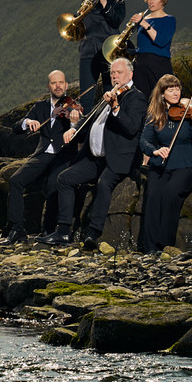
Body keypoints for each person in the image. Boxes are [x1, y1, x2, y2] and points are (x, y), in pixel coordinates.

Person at [49, 55, 147, 249]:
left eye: (119, 73)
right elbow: (91, 120)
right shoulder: (108, 94)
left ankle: (93, 233)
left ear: (130, 74)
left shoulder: (136, 97)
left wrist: (116, 107)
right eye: (112, 73)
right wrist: (74, 128)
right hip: (95, 157)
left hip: (119, 158)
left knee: (104, 183)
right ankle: (63, 231)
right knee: (64, 179)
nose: (114, 76)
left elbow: (131, 128)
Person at [135, 74, 192, 251]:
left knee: (170, 192)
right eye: (170, 89)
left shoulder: (188, 112)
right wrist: (155, 150)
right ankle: (150, 248)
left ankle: (165, 243)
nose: (175, 92)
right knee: (153, 196)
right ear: (162, 93)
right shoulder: (154, 115)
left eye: (177, 88)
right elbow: (144, 141)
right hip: (161, 163)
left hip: (186, 164)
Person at [3, 70, 75, 243]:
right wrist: (27, 122)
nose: (58, 86)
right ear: (48, 86)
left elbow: (82, 127)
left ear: (66, 85)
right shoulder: (40, 107)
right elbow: (16, 128)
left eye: (61, 83)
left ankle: (49, 230)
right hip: (42, 154)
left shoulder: (73, 106)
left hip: (62, 155)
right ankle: (17, 229)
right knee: (15, 180)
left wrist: (74, 123)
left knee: (52, 184)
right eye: (54, 83)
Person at [75, 0, 127, 90]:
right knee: (86, 94)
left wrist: (104, 2)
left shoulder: (118, 3)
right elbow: (79, 28)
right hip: (88, 52)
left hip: (109, 52)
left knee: (111, 92)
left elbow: (115, 22)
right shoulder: (86, 1)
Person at [126, 0, 177, 93]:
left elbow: (161, 41)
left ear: (163, 1)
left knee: (159, 100)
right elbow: (143, 47)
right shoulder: (143, 20)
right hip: (140, 66)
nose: (150, 2)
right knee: (141, 100)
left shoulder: (169, 20)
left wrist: (145, 24)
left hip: (158, 65)